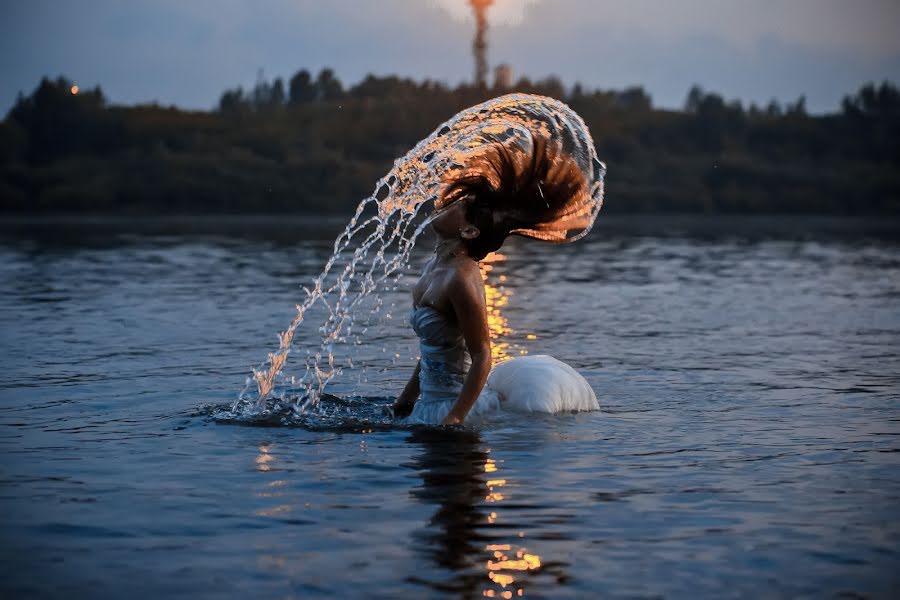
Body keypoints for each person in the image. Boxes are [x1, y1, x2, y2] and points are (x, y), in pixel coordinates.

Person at [393, 138, 600, 425]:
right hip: (428, 406)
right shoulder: (436, 267)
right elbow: (435, 349)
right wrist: (406, 400)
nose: (445, 207)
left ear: (469, 231)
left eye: (459, 207)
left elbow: (483, 356)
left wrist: (455, 418)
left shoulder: (461, 279)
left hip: (450, 408)